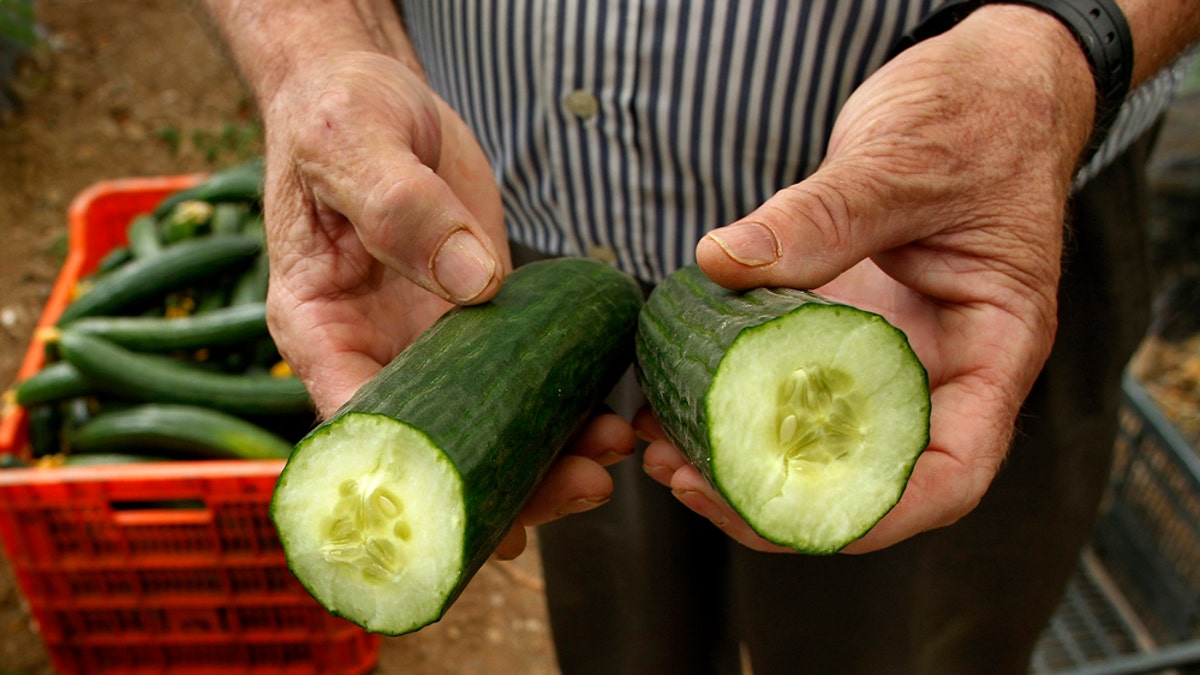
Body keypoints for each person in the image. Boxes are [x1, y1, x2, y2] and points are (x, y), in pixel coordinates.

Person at [201, 1, 1200, 672]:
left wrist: (1066, 44)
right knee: (626, 643)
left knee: (918, 646)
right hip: (492, 269)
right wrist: (319, 49)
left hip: (955, 250)